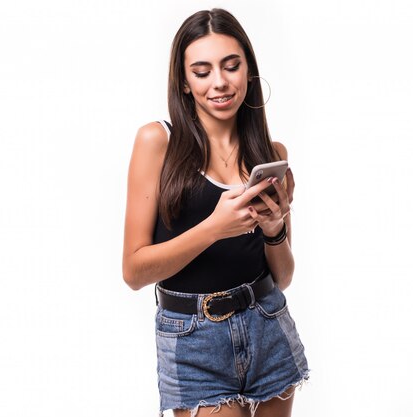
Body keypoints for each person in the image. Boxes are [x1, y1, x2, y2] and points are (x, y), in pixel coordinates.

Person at [122, 8, 310, 417]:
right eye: (202, 71)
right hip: (193, 341)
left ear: (248, 70)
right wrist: (214, 228)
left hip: (267, 324)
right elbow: (134, 272)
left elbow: (284, 276)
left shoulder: (272, 154)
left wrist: (275, 228)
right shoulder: (158, 142)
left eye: (231, 65)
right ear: (184, 82)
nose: (220, 82)